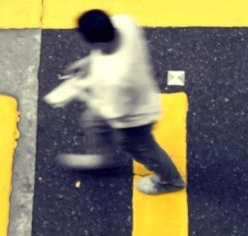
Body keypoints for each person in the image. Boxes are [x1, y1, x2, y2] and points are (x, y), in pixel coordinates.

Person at [42, 9, 186, 195]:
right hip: (132, 96)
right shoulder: (125, 23)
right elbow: (104, 53)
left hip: (134, 119)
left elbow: (114, 113)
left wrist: (80, 92)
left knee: (142, 149)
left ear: (98, 42)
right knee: (93, 122)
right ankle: (104, 157)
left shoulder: (115, 78)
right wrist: (89, 63)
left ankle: (171, 181)